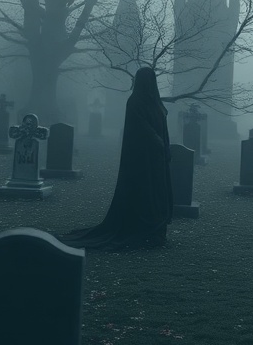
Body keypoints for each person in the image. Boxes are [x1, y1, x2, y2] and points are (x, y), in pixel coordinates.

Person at [65, 67, 173, 249]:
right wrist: (158, 143)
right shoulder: (135, 101)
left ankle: (156, 229)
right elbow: (142, 128)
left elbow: (163, 128)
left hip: (157, 159)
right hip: (142, 159)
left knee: (157, 191)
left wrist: (165, 148)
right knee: (145, 191)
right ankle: (143, 228)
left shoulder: (156, 102)